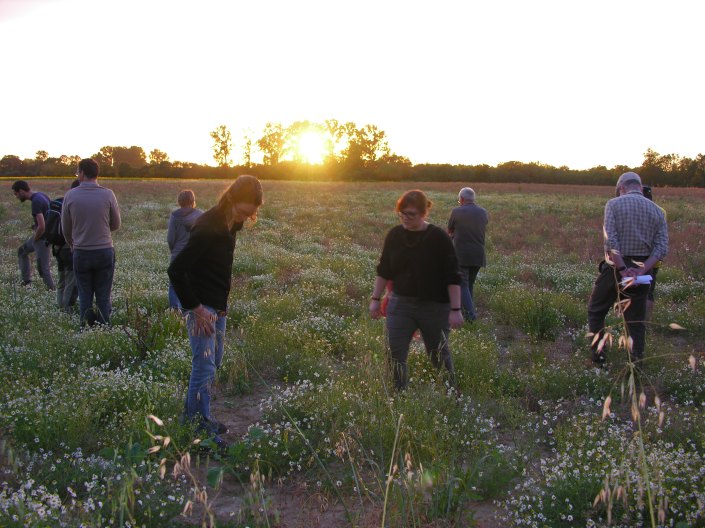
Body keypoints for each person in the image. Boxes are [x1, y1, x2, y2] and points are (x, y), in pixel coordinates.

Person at [168, 175, 263, 447]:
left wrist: (222, 306)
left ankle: (199, 417)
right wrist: (197, 309)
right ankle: (199, 432)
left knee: (214, 362)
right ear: (231, 199)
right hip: (201, 306)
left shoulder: (231, 224)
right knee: (204, 366)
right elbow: (176, 270)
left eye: (251, 214)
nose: (246, 218)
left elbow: (219, 268)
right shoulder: (208, 226)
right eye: (243, 212)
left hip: (217, 306)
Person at [369, 190, 463, 390]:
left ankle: (452, 394)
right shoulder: (395, 235)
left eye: (411, 214)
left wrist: (456, 310)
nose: (405, 218)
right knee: (394, 353)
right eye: (402, 213)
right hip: (400, 305)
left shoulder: (438, 237)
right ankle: (398, 396)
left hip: (435, 307)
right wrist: (375, 299)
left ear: (423, 213)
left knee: (438, 354)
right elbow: (384, 269)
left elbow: (452, 276)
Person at [587, 172, 668, 365]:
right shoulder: (657, 210)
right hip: (643, 274)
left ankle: (599, 359)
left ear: (622, 188)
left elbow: (611, 242)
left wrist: (623, 269)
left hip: (615, 269)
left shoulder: (613, 205)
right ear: (640, 187)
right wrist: (642, 270)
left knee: (596, 310)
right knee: (635, 321)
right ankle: (635, 364)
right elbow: (662, 248)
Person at [62, 159, 121, 326]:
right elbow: (116, 224)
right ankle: (104, 327)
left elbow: (65, 228)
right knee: (104, 295)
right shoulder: (108, 194)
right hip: (104, 250)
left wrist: (72, 243)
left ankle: (86, 327)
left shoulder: (70, 195)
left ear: (82, 173)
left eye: (77, 172)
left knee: (84, 294)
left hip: (81, 252)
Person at [447, 187, 488, 321]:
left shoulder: (456, 211)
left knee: (462, 284)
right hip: (479, 255)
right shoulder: (483, 212)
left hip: (462, 255)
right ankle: (467, 313)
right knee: (469, 284)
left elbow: (450, 231)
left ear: (462, 199)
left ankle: (471, 316)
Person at [12, 180, 55, 289]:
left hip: (43, 238)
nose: (16, 197)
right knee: (21, 251)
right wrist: (35, 226)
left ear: (21, 191)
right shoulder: (41, 195)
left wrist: (35, 238)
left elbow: (42, 226)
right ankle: (26, 281)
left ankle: (52, 290)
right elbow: (49, 214)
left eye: (16, 194)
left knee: (43, 269)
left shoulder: (36, 202)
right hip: (46, 235)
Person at [167, 190, 203, 310]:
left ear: (180, 201)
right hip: (196, 255)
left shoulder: (174, 216)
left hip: (177, 254)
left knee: (174, 285)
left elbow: (170, 239)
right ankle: (190, 311)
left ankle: (175, 312)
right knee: (193, 284)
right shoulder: (200, 215)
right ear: (193, 201)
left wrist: (174, 250)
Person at [53, 179, 81, 311]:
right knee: (71, 281)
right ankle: (66, 309)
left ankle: (59, 306)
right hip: (67, 247)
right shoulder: (73, 204)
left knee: (61, 279)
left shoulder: (58, 201)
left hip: (56, 247)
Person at [642, 185, 666, 321]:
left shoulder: (637, 210)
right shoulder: (660, 210)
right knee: (649, 290)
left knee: (633, 290)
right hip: (654, 259)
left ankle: (636, 319)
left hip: (638, 257)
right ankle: (647, 319)